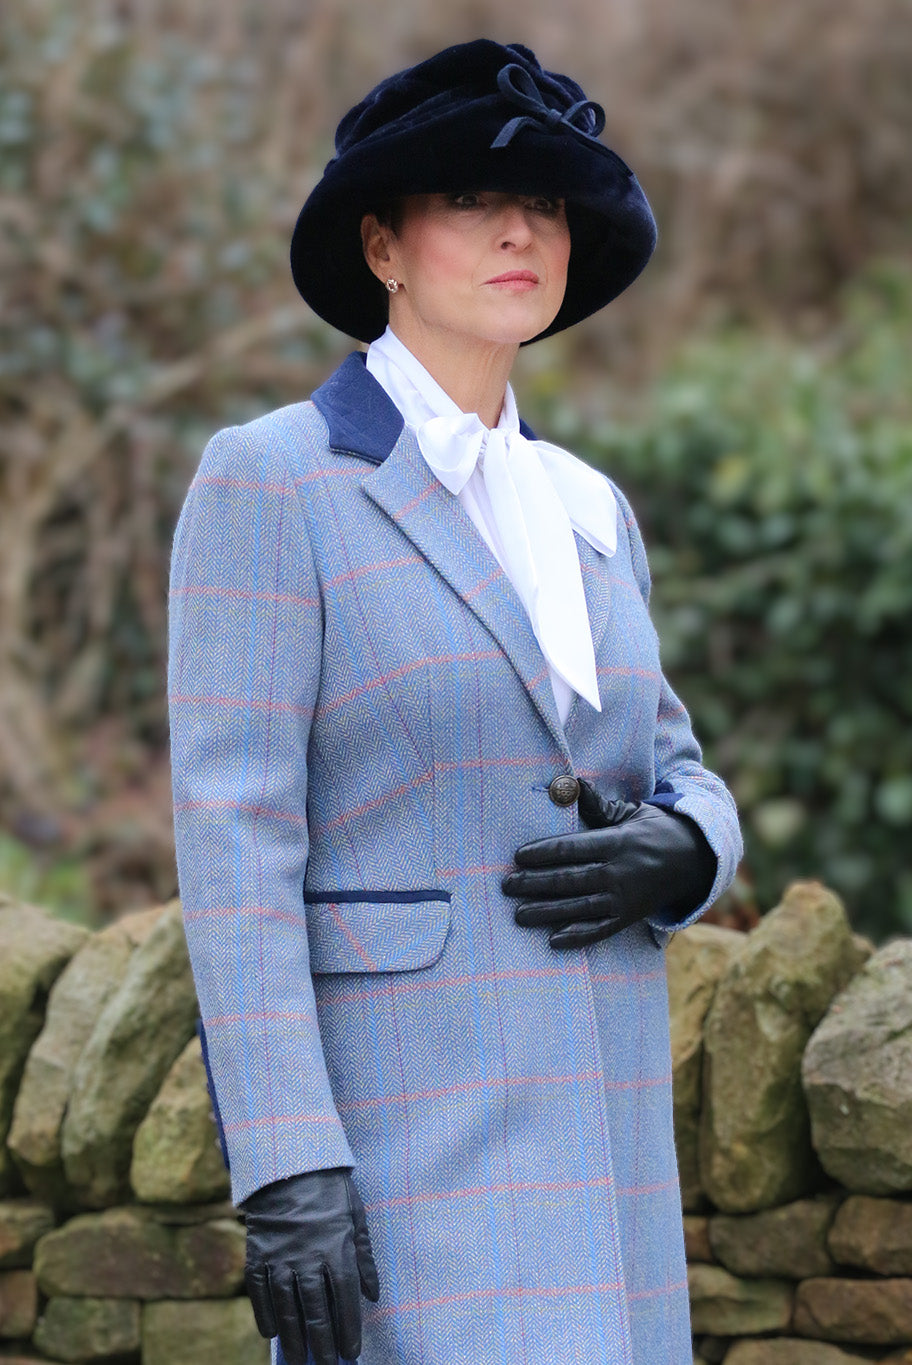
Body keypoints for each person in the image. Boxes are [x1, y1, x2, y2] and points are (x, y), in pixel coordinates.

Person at [168, 38, 742, 1365]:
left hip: (605, 1168)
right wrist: (288, 1166)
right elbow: (232, 842)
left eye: (544, 206)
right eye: (476, 203)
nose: (521, 232)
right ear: (381, 245)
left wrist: (688, 849)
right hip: (406, 1162)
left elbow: (681, 767)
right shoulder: (274, 481)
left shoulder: (592, 507)